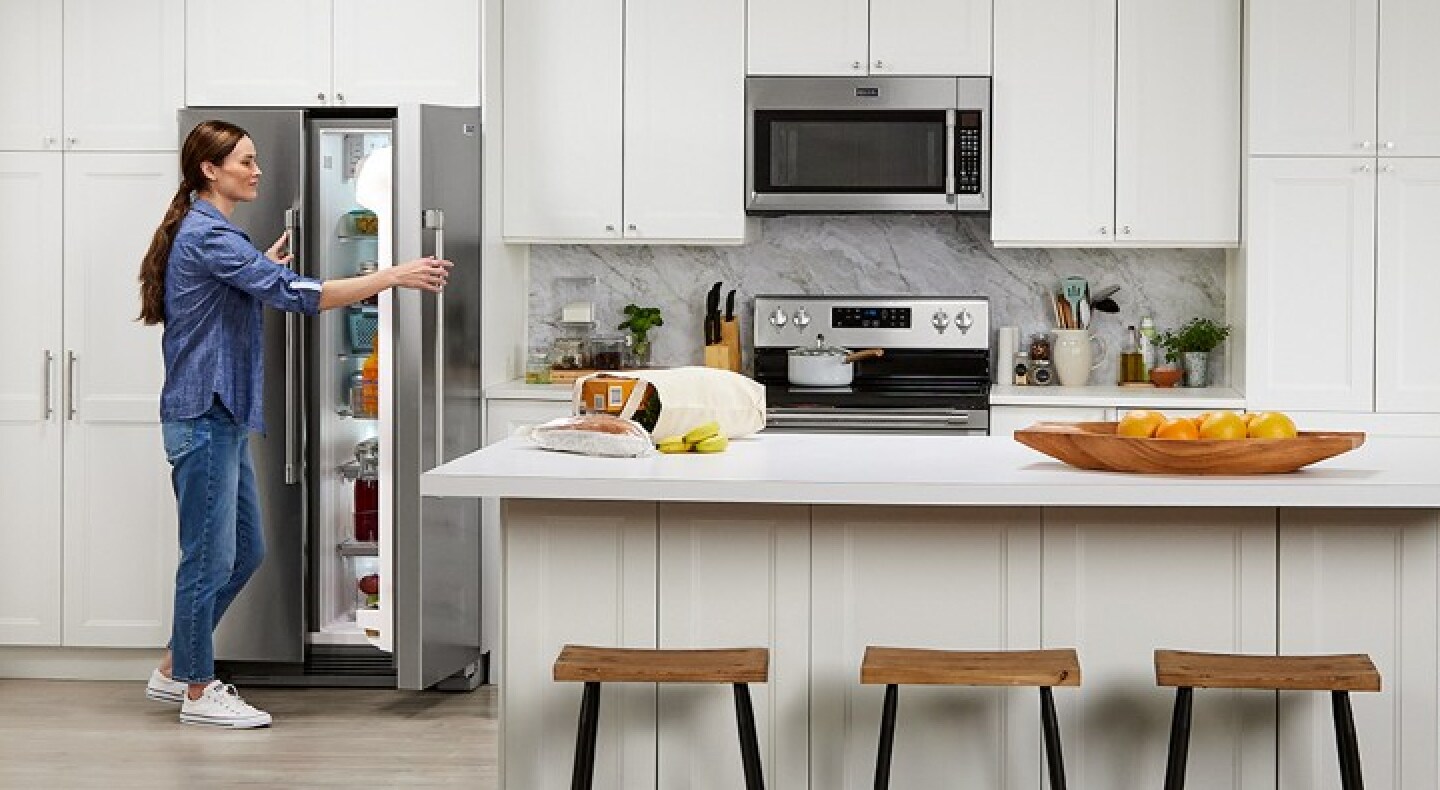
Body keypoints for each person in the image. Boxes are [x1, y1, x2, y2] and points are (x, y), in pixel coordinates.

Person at [135, 120, 451, 728]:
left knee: (245, 551)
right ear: (210, 170)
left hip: (221, 416)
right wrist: (391, 276)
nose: (257, 171)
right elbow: (298, 293)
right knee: (205, 558)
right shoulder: (209, 234)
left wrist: (258, 267)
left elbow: (250, 286)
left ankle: (178, 665)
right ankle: (199, 691)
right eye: (245, 162)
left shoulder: (216, 232)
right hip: (203, 416)